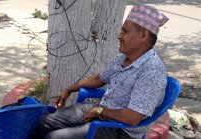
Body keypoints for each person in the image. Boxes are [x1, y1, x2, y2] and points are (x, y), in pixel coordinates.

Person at [30, 4, 169, 139]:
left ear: (143, 35)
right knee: (46, 121)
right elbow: (98, 79)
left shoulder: (152, 71)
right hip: (103, 111)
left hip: (121, 130)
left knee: (55, 137)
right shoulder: (123, 59)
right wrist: (70, 89)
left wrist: (100, 111)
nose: (119, 36)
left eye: (125, 31)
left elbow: (132, 118)